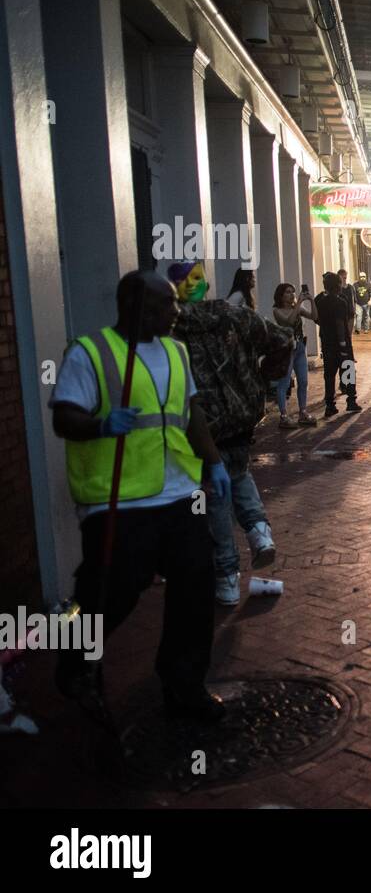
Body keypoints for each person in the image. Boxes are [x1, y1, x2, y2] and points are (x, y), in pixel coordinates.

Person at [49, 270, 229, 722]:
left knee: (195, 583)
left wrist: (213, 461)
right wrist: (100, 425)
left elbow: (191, 412)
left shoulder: (175, 350)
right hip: (119, 500)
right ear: (136, 307)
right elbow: (64, 418)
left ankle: (183, 684)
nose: (177, 311)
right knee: (112, 592)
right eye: (167, 304)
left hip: (178, 493)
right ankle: (74, 663)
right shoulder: (89, 353)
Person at [167, 261, 294, 607]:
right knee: (236, 471)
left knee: (215, 497)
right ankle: (257, 531)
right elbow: (284, 340)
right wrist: (261, 381)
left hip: (201, 425)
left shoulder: (170, 331)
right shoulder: (234, 316)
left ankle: (226, 575)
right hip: (240, 417)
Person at [272, 283, 318, 427]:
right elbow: (289, 321)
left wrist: (311, 300)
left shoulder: (296, 308)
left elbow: (314, 316)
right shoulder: (277, 310)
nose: (291, 294)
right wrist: (298, 303)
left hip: (299, 348)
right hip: (286, 350)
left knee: (303, 381)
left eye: (293, 292)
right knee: (284, 383)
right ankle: (284, 416)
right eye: (288, 292)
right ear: (281, 295)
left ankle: (303, 412)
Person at [315, 272, 361, 416]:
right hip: (341, 342)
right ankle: (351, 400)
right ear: (338, 285)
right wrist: (342, 343)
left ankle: (330, 405)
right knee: (348, 370)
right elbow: (340, 323)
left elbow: (316, 318)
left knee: (329, 374)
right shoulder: (341, 301)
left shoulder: (319, 300)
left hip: (327, 341)